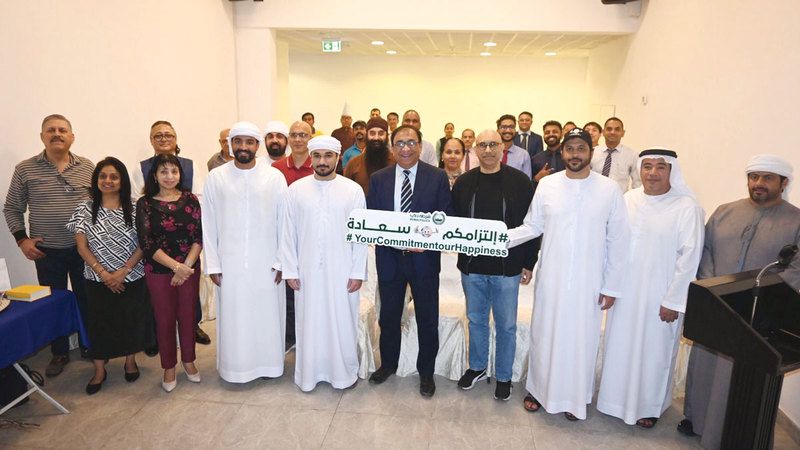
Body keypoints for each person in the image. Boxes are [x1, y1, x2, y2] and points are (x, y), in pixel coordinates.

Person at [506, 128, 629, 420]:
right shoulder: (547, 185)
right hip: (552, 278)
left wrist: (612, 286)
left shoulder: (610, 189)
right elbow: (532, 226)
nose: (575, 154)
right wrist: (496, 238)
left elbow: (619, 239)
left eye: (581, 149)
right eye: (570, 149)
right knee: (545, 334)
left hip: (589, 282)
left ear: (591, 152)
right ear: (562, 153)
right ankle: (538, 391)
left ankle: (575, 399)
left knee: (581, 340)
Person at [679, 154, 799, 449]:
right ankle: (696, 420)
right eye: (754, 177)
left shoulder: (795, 221)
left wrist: (765, 299)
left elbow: (796, 270)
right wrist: (712, 289)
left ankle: (730, 435)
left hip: (759, 316)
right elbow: (706, 251)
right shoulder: (725, 212)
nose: (759, 183)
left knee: (740, 375)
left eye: (767, 178)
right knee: (707, 364)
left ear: (783, 183)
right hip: (717, 307)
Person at [597, 149, 704, 428]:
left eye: (660, 167)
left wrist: (674, 301)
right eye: (647, 166)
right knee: (619, 346)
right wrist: (609, 286)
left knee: (655, 353)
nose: (653, 173)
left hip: (661, 297)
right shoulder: (628, 200)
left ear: (671, 171)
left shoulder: (686, 207)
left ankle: (649, 408)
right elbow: (612, 244)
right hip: (625, 293)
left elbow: (689, 258)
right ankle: (613, 401)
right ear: (639, 170)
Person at [366, 125, 453, 397]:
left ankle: (426, 373)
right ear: (392, 148)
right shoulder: (379, 179)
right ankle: (388, 365)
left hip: (424, 259)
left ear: (420, 146)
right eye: (400, 143)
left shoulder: (437, 176)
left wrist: (426, 241)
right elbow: (372, 219)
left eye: (411, 142)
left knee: (427, 317)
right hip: (389, 257)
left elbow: (445, 217)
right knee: (389, 315)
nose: (406, 148)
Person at [4, 114, 94, 377]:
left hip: (83, 249)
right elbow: (12, 208)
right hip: (47, 252)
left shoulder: (87, 166)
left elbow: (98, 203)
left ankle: (89, 344)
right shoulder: (25, 169)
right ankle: (59, 352)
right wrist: (22, 240)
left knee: (86, 298)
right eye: (51, 130)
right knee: (53, 302)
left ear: (72, 137)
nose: (57, 134)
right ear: (42, 136)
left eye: (62, 130)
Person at [452, 130, 535, 401]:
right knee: (476, 320)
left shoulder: (520, 182)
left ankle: (504, 376)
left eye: (493, 145)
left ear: (502, 148)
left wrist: (529, 262)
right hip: (472, 267)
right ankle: (477, 367)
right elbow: (453, 221)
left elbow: (533, 225)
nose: (488, 150)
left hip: (507, 269)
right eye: (482, 145)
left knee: (506, 325)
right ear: (475, 150)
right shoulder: (464, 183)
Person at [202, 122, 288, 383]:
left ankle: (269, 366)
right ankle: (235, 368)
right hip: (230, 263)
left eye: (249, 142)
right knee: (235, 317)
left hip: (267, 262)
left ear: (257, 145)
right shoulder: (216, 177)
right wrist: (213, 264)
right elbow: (208, 223)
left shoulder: (274, 177)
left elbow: (284, 221)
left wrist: (282, 261)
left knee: (267, 315)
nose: (243, 147)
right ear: (230, 145)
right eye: (238, 141)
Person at [281, 135, 368, 391]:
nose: (322, 161)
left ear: (338, 158)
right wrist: (290, 269)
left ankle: (342, 374)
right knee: (309, 323)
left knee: (342, 321)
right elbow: (288, 232)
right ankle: (309, 374)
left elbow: (360, 236)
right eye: (317, 156)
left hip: (343, 270)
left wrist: (357, 271)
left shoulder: (353, 190)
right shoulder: (296, 190)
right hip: (306, 270)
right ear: (311, 158)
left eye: (328, 156)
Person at [67, 157, 152, 394]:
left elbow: (143, 244)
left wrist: (123, 271)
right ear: (96, 180)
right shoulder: (84, 208)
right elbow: (82, 246)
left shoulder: (135, 207)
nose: (108, 180)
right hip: (96, 280)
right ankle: (99, 370)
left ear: (122, 181)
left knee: (130, 321)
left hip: (131, 277)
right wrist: (104, 274)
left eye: (114, 176)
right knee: (99, 325)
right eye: (103, 176)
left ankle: (130, 361)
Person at [131, 121, 209, 347]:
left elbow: (200, 198)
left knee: (189, 297)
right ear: (151, 140)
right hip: (157, 245)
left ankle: (193, 326)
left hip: (187, 242)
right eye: (158, 135)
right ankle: (158, 334)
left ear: (176, 139)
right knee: (159, 301)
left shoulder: (190, 165)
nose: (164, 138)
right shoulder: (141, 168)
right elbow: (137, 200)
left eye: (168, 135)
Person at [136, 153, 203, 392]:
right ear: (154, 175)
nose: (169, 176)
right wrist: (176, 267)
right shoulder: (145, 203)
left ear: (180, 174)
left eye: (174, 171)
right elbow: (146, 243)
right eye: (163, 171)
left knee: (188, 316)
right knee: (164, 319)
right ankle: (168, 367)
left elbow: (198, 237)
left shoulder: (190, 199)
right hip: (159, 270)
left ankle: (189, 361)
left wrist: (186, 267)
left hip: (189, 268)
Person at [272, 120, 314, 352]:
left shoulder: (319, 165)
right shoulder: (276, 168)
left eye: (303, 135)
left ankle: (310, 334)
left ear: (310, 138)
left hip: (310, 236)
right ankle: (290, 336)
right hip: (283, 236)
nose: (298, 139)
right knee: (289, 288)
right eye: (294, 135)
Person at [344, 116, 394, 194]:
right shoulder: (353, 163)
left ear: (387, 136)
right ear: (367, 135)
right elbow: (346, 192)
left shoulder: (396, 162)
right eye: (372, 133)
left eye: (381, 133)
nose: (376, 138)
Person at [590, 117, 641, 193]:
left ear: (623, 133)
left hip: (619, 198)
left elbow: (637, 183)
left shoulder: (632, 155)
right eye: (609, 129)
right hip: (594, 196)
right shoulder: (592, 152)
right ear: (603, 132)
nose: (612, 132)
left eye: (617, 129)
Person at [532, 120, 565, 189]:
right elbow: (529, 186)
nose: (551, 134)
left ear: (562, 134)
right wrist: (536, 179)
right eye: (547, 132)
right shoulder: (536, 159)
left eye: (555, 132)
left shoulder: (569, 157)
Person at [496, 115, 532, 179]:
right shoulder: (490, 152)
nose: (508, 130)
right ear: (498, 130)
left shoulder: (524, 154)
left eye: (511, 127)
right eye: (503, 127)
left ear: (515, 130)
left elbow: (527, 180)